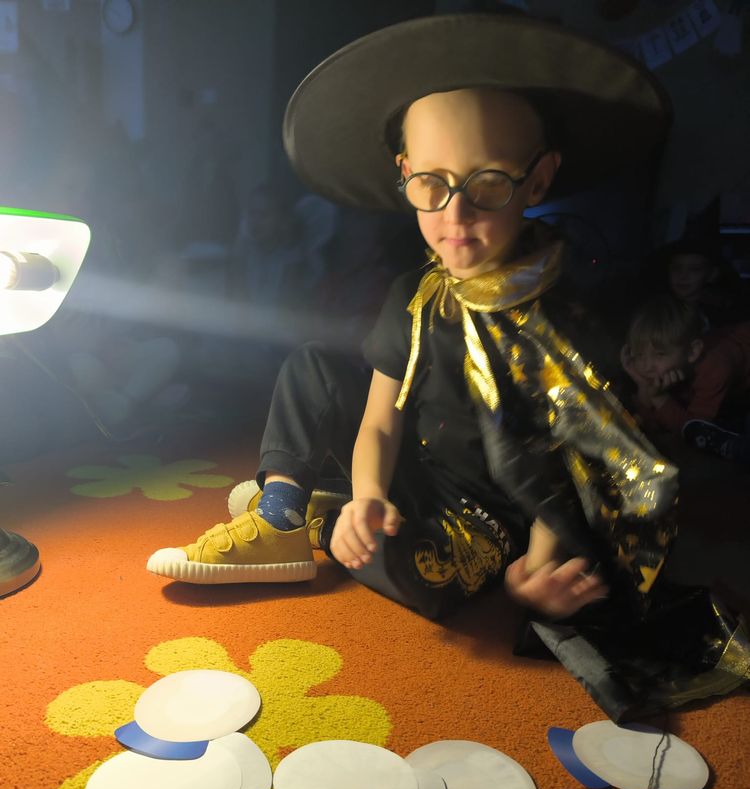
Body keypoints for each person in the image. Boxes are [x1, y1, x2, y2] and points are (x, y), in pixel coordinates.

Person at [147, 13, 748, 720]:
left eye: (488, 183)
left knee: (424, 580)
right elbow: (380, 419)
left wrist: (539, 567)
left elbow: (574, 467)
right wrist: (371, 494)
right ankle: (283, 511)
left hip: (486, 510)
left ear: (538, 179)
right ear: (405, 174)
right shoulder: (416, 293)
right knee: (313, 366)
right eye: (431, 183)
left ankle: (321, 515)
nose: (455, 214)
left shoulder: (567, 317)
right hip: (413, 461)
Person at [621, 293, 750, 463]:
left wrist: (659, 398)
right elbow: (646, 425)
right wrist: (643, 384)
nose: (647, 366)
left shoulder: (715, 367)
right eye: (639, 354)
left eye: (659, 354)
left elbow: (696, 431)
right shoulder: (666, 366)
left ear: (693, 352)